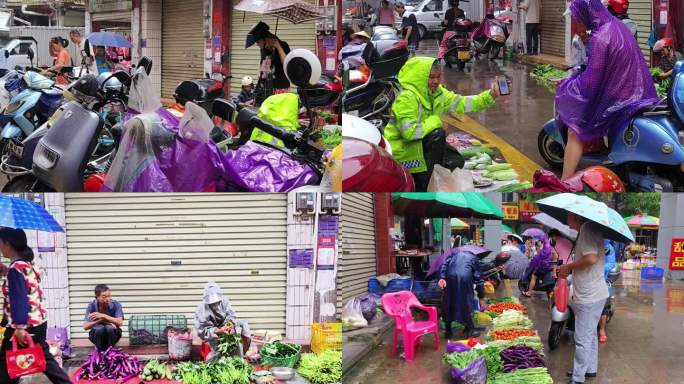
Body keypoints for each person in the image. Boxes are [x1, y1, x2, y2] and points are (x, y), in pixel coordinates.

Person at [556, 0, 659, 181]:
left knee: (574, 129)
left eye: (578, 18)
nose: (577, 23)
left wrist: (567, 85)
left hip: (620, 100)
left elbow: (591, 84)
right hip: (634, 94)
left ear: (586, 14)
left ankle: (564, 182)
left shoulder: (600, 37)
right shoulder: (617, 26)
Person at [382, 57, 503, 191]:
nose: (435, 81)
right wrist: (438, 121)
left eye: (438, 77)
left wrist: (491, 95)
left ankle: (428, 178)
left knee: (456, 161)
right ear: (419, 78)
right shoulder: (407, 98)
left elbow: (464, 103)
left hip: (421, 146)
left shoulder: (438, 93)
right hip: (404, 155)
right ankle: (422, 185)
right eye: (431, 77)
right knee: (437, 134)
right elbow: (410, 132)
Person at [0, 228, 71, 384]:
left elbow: (19, 299)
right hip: (37, 322)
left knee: (7, 366)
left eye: (1, 242)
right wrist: (6, 272)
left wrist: (19, 327)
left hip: (23, 325)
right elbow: (27, 289)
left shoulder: (15, 269)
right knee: (44, 362)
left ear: (8, 244)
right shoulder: (26, 265)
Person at [558, 212, 609, 384]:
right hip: (595, 293)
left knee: (581, 339)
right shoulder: (588, 229)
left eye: (568, 216)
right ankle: (589, 370)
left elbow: (591, 258)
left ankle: (578, 378)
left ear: (575, 216)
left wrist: (569, 267)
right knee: (590, 335)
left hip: (590, 295)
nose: (566, 219)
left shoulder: (587, 229)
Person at [195, 282, 252, 361]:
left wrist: (230, 325)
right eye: (212, 303)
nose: (216, 305)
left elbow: (231, 314)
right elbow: (202, 331)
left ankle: (239, 358)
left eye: (217, 302)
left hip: (226, 328)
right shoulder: (201, 310)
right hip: (214, 334)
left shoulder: (224, 301)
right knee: (218, 355)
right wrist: (218, 331)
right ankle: (214, 361)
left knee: (241, 327)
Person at [438, 248, 486, 338]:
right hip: (465, 279)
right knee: (466, 303)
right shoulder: (474, 258)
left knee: (449, 302)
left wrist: (442, 277)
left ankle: (448, 331)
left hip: (450, 278)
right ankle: (470, 330)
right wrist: (481, 296)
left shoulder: (454, 255)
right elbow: (479, 279)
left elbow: (444, 265)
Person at [246, 21, 292, 97]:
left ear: (265, 39)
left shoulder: (283, 45)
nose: (257, 44)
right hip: (267, 90)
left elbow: (287, 65)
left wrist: (278, 47)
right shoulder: (264, 51)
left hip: (281, 90)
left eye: (258, 41)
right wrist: (256, 93)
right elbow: (262, 74)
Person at [83, 284, 124, 351]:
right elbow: (85, 326)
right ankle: (99, 353)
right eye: (104, 296)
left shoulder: (116, 304)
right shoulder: (92, 305)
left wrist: (104, 316)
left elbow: (120, 322)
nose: (108, 299)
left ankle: (111, 352)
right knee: (99, 329)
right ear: (97, 297)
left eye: (109, 296)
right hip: (97, 337)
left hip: (113, 336)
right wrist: (99, 320)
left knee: (109, 328)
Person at [598, 240, 616, 344]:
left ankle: (602, 330)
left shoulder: (607, 247)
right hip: (585, 278)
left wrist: (599, 268)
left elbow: (610, 263)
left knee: (603, 306)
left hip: (601, 279)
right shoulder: (586, 241)